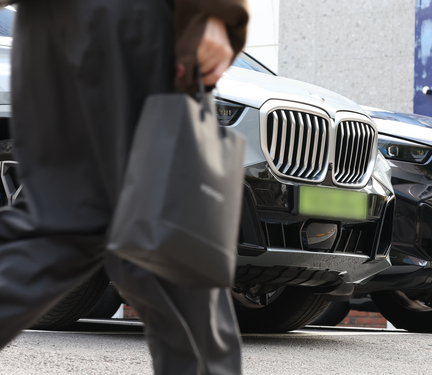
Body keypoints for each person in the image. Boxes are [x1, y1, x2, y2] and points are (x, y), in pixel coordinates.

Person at [0, 0, 249, 374]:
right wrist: (218, 10)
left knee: (61, 220)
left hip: (44, 26)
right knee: (176, 237)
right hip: (134, 19)